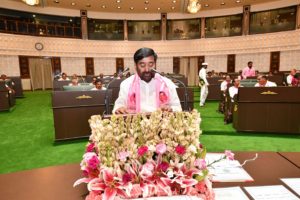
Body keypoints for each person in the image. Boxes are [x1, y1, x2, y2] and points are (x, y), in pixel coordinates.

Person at [113, 47, 182, 114]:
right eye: (142, 65)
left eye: (151, 64)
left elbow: (178, 107)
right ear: (135, 66)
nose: (147, 69)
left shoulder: (167, 83)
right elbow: (118, 106)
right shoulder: (126, 84)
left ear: (155, 64)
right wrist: (119, 109)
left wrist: (170, 109)